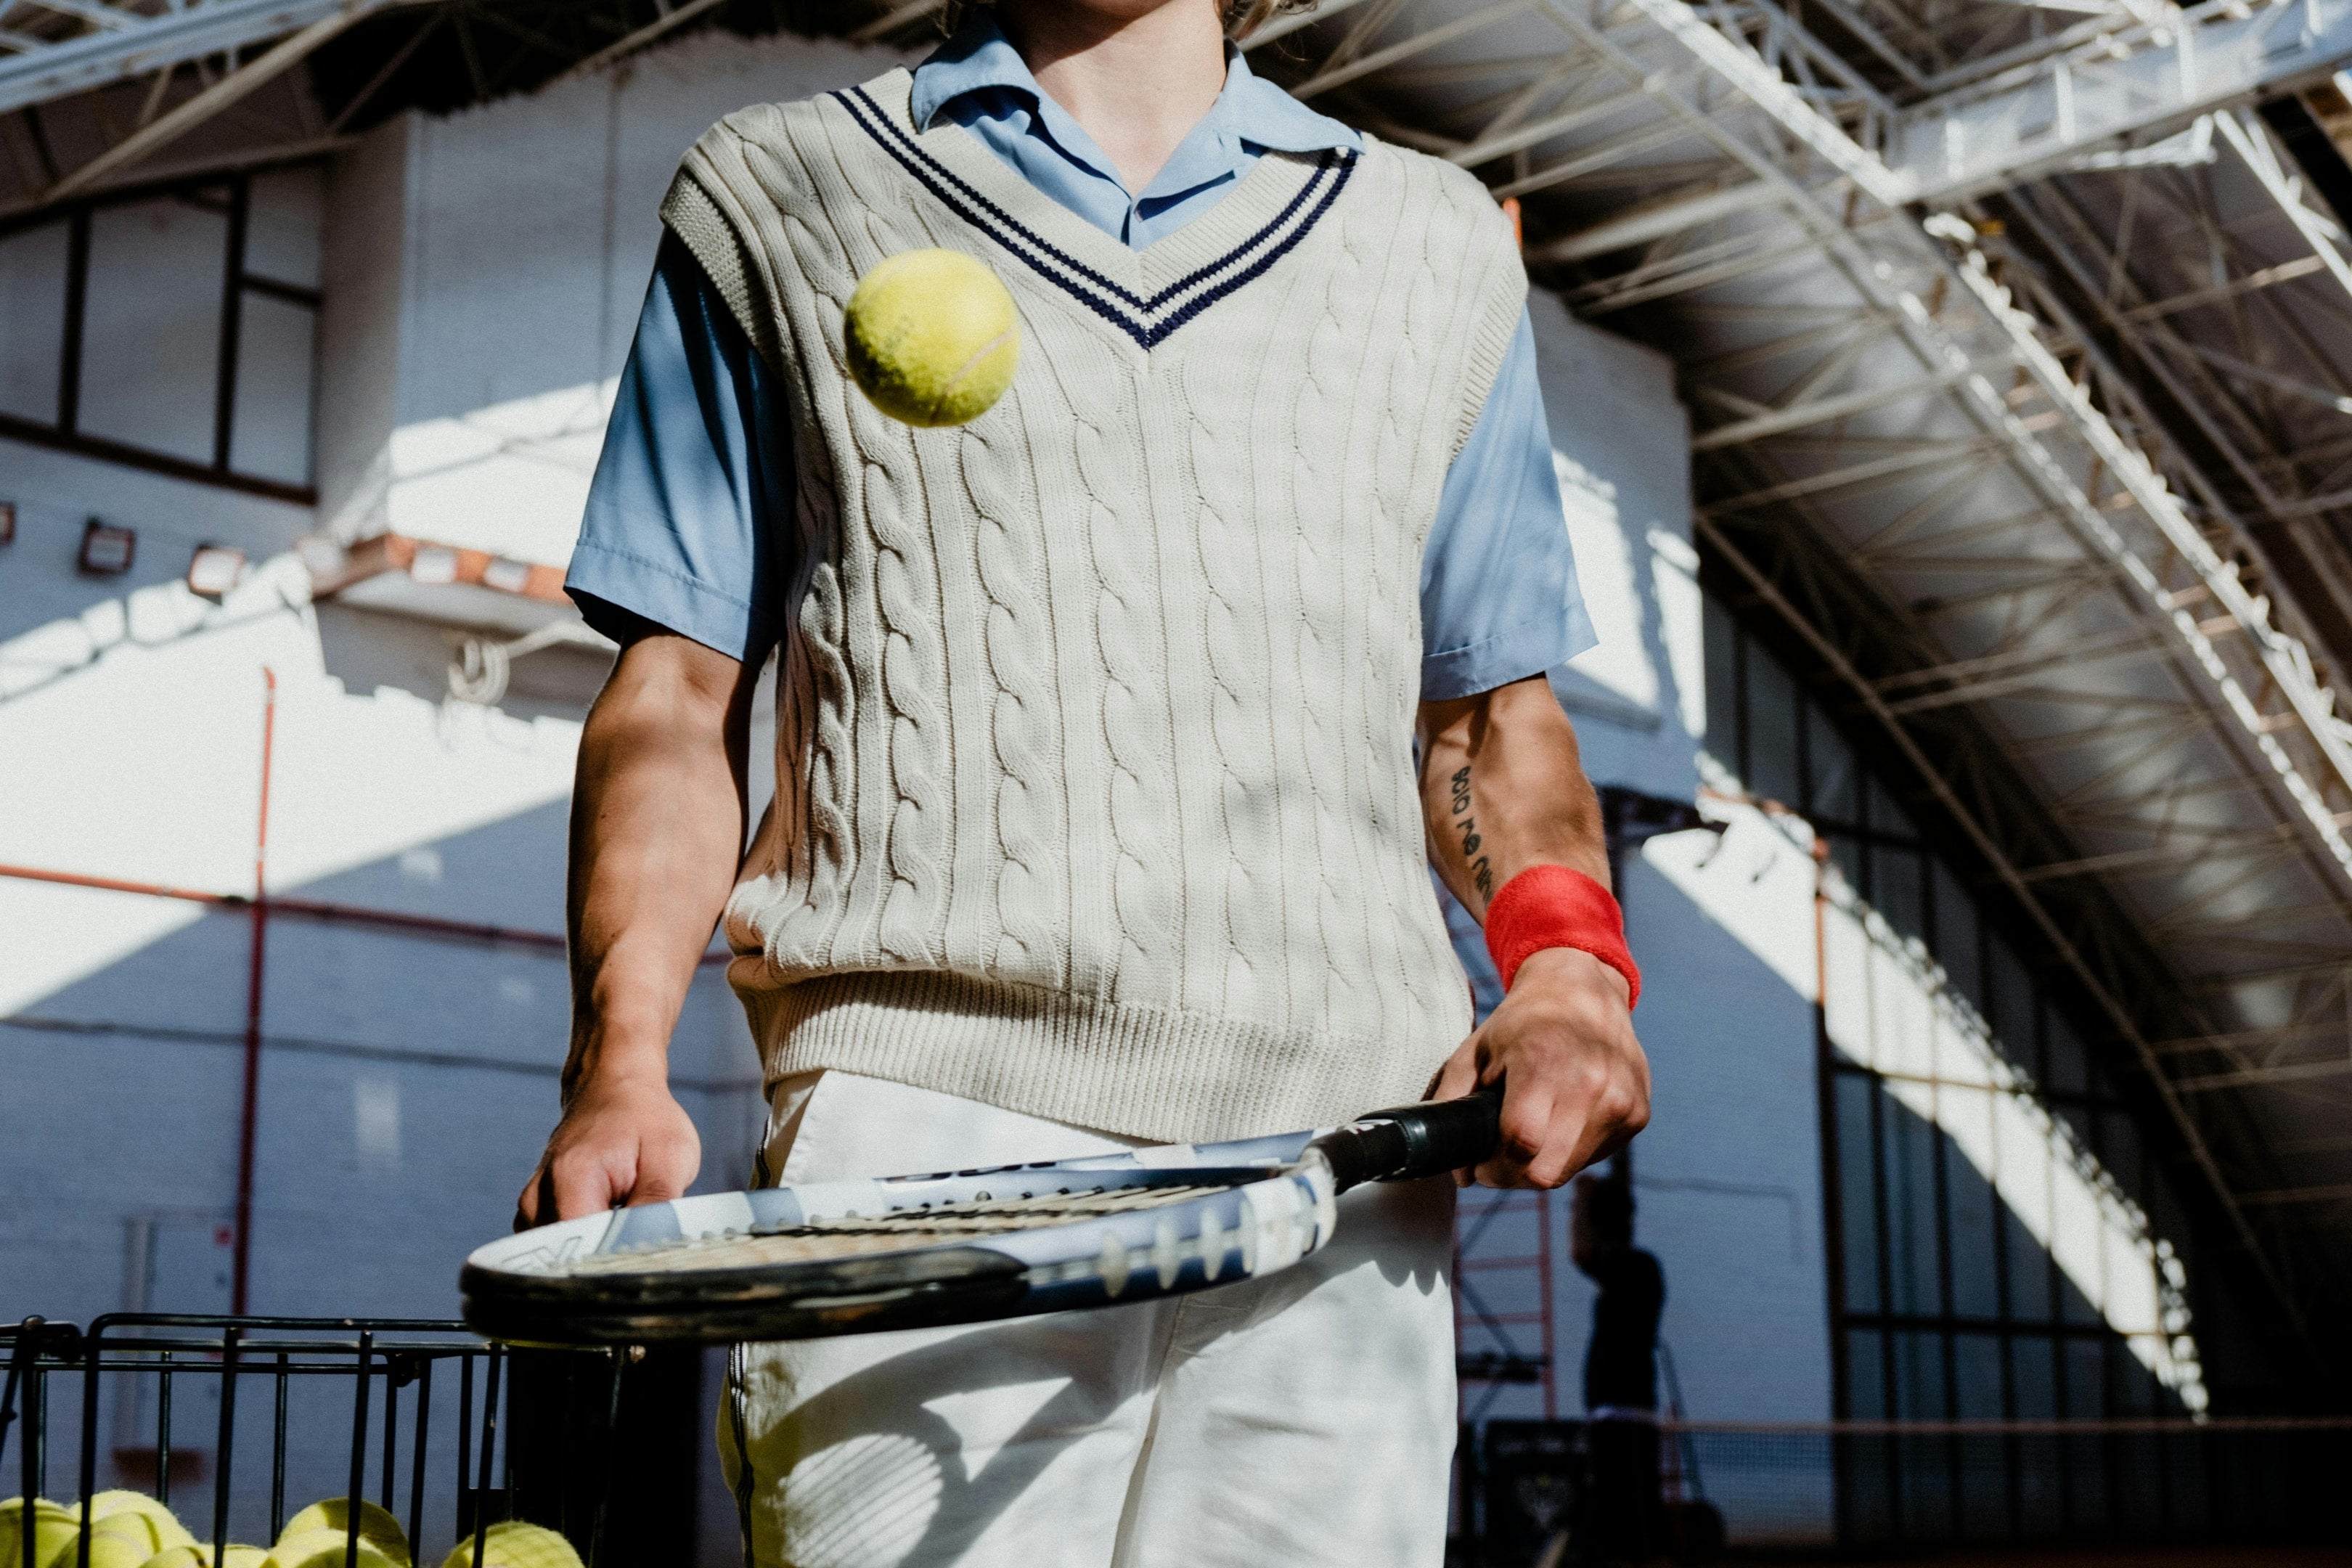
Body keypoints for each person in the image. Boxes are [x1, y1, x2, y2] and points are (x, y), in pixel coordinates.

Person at [515, 0, 1652, 1559]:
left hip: (1348, 1177)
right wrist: (621, 1055)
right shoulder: (776, 191)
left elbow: (1490, 716)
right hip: (920, 1149)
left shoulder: (1436, 246)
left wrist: (1572, 975)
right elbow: (677, 690)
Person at [1571, 1168, 1667, 1567]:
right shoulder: (1636, 1267)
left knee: (1631, 1528)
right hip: (1613, 1417)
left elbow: (1581, 1254)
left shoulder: (1637, 1267)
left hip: (1626, 1420)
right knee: (1617, 1525)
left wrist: (1579, 1205)